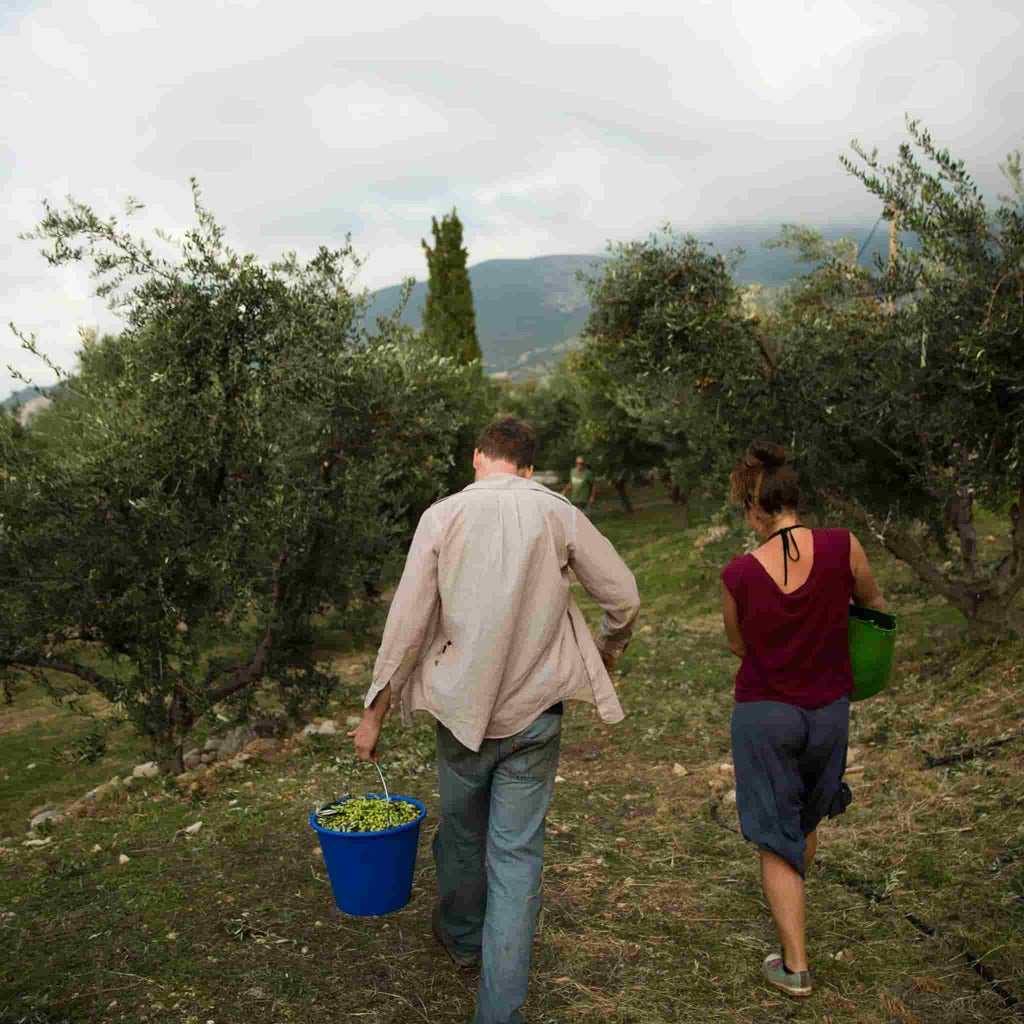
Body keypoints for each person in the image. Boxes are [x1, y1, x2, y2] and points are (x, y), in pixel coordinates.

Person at [349, 417, 640, 1024]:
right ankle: (497, 1010)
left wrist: (374, 714)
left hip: (460, 714)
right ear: (529, 468)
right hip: (537, 714)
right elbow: (623, 596)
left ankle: (459, 940)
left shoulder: (443, 515)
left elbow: (405, 625)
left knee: (460, 833)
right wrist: (611, 649)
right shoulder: (557, 512)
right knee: (516, 858)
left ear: (478, 458)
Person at [719, 441, 887, 999]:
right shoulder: (845, 547)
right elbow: (875, 611)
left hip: (766, 712)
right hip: (829, 711)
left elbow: (740, 647)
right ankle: (794, 904)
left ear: (753, 508)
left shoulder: (739, 574)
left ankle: (795, 965)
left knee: (775, 835)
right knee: (804, 818)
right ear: (795, 498)